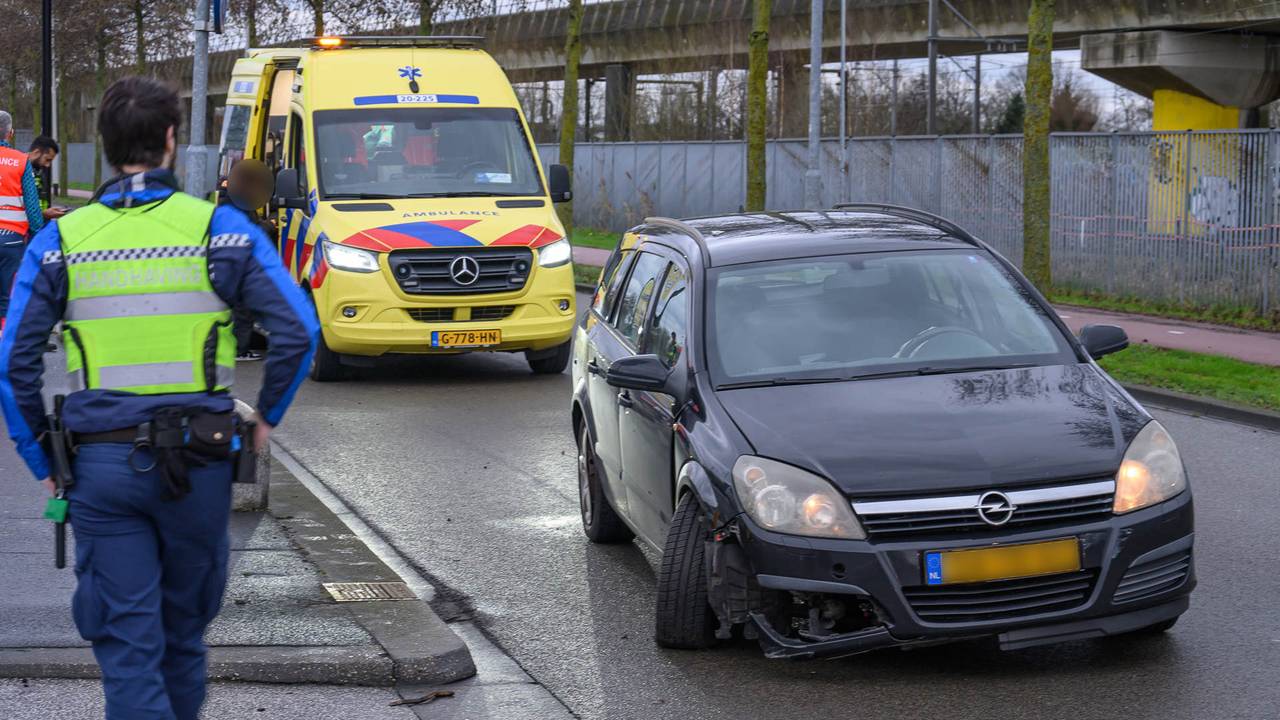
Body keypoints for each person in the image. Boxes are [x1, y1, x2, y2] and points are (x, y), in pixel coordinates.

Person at [0, 77, 318, 720]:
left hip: (100, 471)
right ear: (171, 142)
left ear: (105, 146)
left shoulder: (62, 241)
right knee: (181, 639)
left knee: (128, 647)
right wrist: (266, 419)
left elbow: (14, 365)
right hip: (198, 466)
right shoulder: (219, 231)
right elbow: (298, 331)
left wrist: (48, 465)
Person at [219, 158, 277, 362]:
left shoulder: (230, 195)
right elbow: (249, 230)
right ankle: (240, 350)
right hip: (239, 259)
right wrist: (269, 226)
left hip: (233, 259)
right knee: (242, 308)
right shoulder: (238, 199)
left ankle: (238, 347)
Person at [0, 110, 46, 333]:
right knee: (8, 297)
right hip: (12, 241)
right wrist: (38, 234)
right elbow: (32, 205)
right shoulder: (20, 161)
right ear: (10, 133)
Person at [27, 135, 67, 222]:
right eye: (47, 159)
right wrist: (44, 214)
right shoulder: (19, 170)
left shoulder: (39, 172)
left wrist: (47, 213)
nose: (48, 165)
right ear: (36, 153)